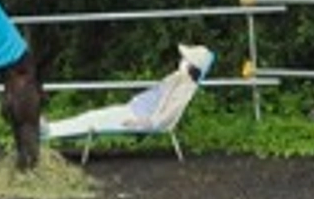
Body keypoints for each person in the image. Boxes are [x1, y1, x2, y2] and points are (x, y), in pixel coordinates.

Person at [42, 44, 215, 138]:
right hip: (133, 110)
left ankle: (50, 130)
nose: (181, 61)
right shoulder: (178, 78)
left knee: (92, 121)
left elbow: (166, 116)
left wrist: (144, 123)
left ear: (191, 66)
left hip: (136, 116)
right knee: (92, 116)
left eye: (185, 59)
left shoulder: (184, 87)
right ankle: (50, 129)